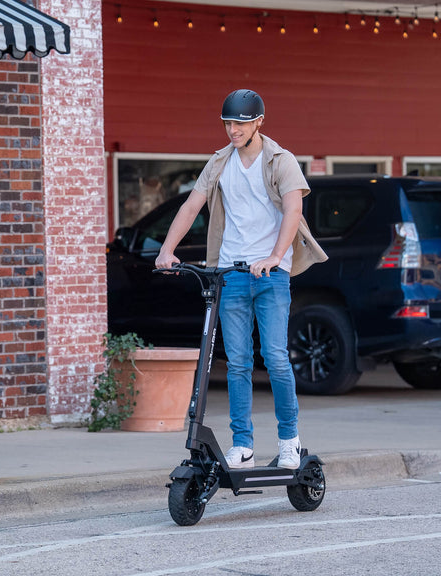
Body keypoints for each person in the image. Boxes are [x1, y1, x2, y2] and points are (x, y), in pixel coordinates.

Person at [155, 89, 327, 470]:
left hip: (270, 274)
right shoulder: (219, 163)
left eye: (240, 123)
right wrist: (168, 249)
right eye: (227, 123)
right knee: (236, 363)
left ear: (258, 123)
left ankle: (289, 441)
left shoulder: (281, 161)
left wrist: (275, 257)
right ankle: (243, 446)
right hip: (231, 273)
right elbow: (191, 204)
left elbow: (293, 210)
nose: (232, 130)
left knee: (276, 358)